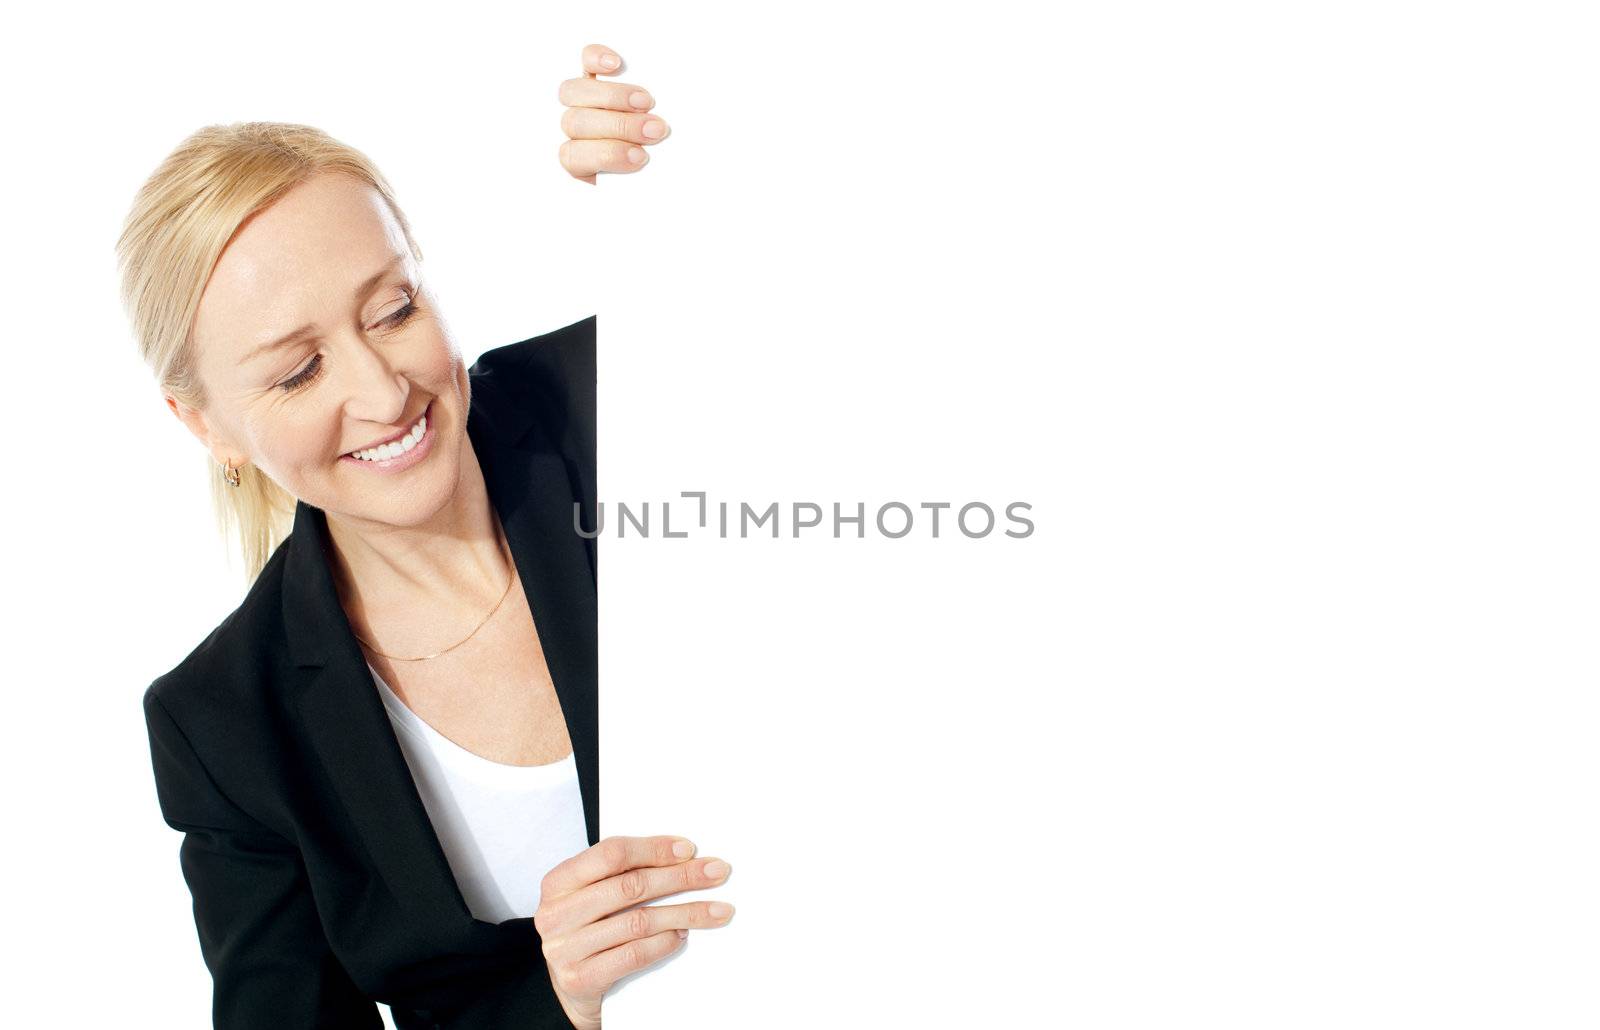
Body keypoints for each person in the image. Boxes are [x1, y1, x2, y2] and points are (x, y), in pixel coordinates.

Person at [120, 44, 730, 1030]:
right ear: (206, 426)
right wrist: (560, 999)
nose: (382, 390)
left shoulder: (604, 404)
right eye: (298, 372)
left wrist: (688, 161)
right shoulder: (225, 724)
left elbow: (818, 321)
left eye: (394, 309)